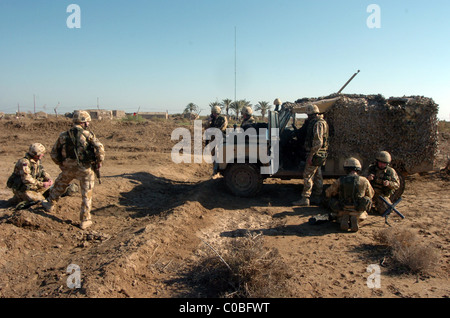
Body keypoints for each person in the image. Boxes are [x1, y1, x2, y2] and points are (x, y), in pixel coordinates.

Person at [42, 110, 105, 230]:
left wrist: (60, 163)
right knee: (86, 194)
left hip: (68, 168)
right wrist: (99, 162)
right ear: (84, 122)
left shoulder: (63, 135)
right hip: (85, 169)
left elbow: (54, 153)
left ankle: (50, 204)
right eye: (87, 121)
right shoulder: (88, 135)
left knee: (60, 184)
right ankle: (85, 220)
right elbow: (100, 148)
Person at [293, 104, 329, 206]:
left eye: (308, 115)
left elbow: (318, 142)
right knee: (318, 175)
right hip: (320, 154)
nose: (308, 117)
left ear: (311, 115)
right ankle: (317, 197)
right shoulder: (322, 122)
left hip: (315, 154)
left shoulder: (317, 124)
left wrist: (311, 155)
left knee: (307, 175)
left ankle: (305, 198)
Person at [325, 158, 374, 232]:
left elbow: (328, 192)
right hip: (358, 211)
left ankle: (344, 218)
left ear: (346, 169)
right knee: (367, 201)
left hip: (343, 208)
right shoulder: (364, 180)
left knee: (333, 203)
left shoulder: (340, 180)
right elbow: (371, 194)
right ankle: (355, 219)